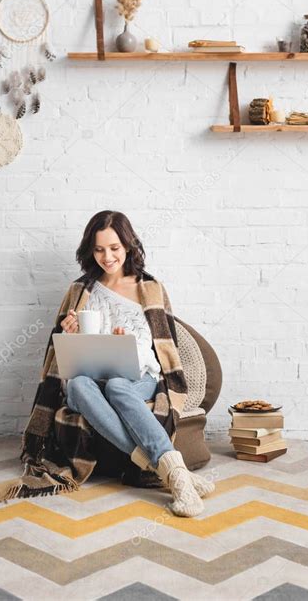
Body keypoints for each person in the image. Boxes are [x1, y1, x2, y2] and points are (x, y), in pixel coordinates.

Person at [60, 210, 215, 517]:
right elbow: (71, 353)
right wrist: (69, 331)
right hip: (94, 377)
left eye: (114, 248)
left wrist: (126, 343)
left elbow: (159, 345)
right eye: (99, 249)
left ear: (128, 246)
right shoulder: (81, 290)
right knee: (77, 386)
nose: (107, 256)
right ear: (90, 250)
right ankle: (173, 472)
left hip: (140, 373)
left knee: (118, 385)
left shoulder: (149, 287)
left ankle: (171, 474)